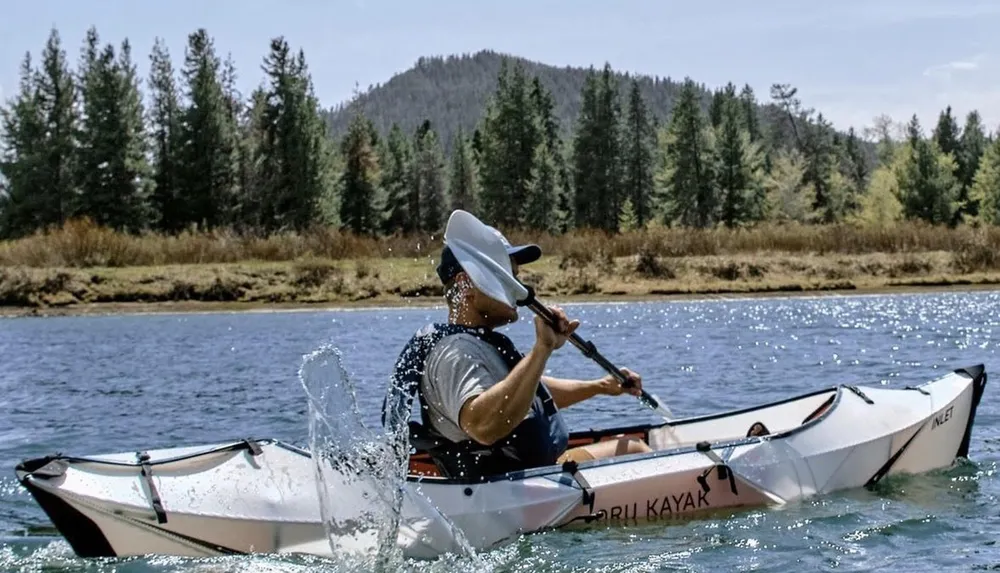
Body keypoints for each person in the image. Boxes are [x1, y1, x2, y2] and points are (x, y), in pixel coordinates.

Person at [386, 223, 652, 481]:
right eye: (509, 277)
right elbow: (483, 426)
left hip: (528, 478)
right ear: (466, 285)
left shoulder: (478, 345)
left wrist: (600, 386)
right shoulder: (457, 352)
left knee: (629, 446)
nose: (520, 288)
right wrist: (542, 349)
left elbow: (527, 393)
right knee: (636, 450)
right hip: (504, 495)